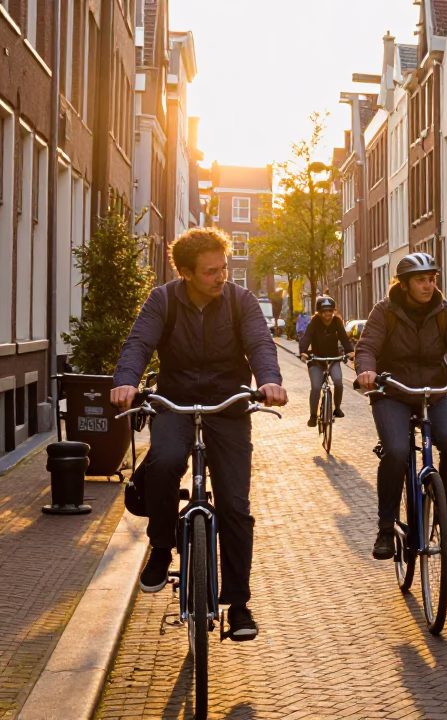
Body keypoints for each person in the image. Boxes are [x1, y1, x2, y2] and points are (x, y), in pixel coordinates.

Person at [110, 227, 288, 641]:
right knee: (165, 462)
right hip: (175, 401)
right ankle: (160, 547)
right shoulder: (164, 300)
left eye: (223, 268)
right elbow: (138, 343)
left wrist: (270, 380)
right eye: (210, 272)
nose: (220, 277)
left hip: (228, 405)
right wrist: (126, 382)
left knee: (234, 505)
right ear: (187, 273)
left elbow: (261, 343)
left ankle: (240, 605)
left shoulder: (240, 301)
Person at [354, 253, 447, 558]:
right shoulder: (385, 312)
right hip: (392, 392)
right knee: (397, 451)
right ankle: (386, 527)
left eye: (432, 279)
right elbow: (367, 347)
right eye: (420, 280)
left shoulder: (443, 311)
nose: (428, 285)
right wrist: (366, 371)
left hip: (433, 392)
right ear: (403, 285)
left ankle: (445, 507)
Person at [298, 296, 354, 427]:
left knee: (339, 382)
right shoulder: (314, 323)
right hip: (316, 360)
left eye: (330, 310)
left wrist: (349, 351)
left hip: (332, 359)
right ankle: (313, 416)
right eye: (324, 311)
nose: (328, 314)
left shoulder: (337, 322)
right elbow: (307, 338)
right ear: (319, 312)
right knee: (316, 387)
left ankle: (337, 408)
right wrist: (304, 351)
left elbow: (344, 338)